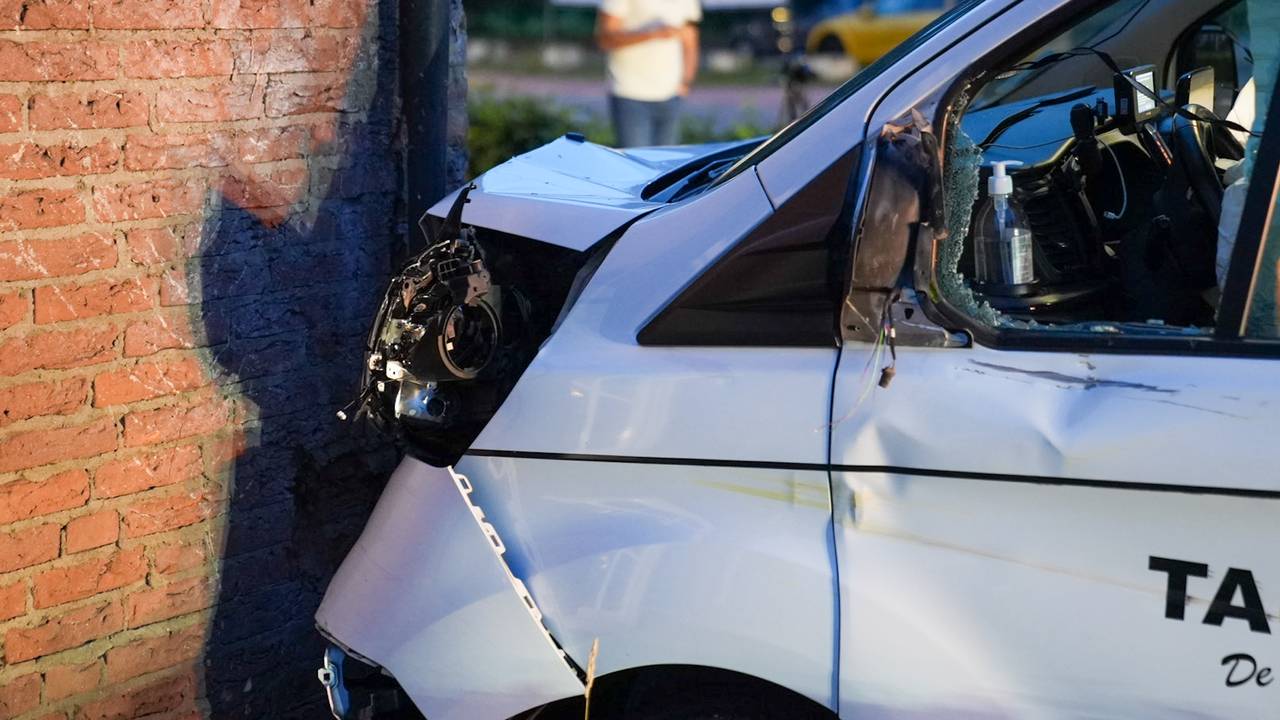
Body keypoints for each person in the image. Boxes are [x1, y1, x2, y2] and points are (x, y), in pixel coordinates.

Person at [596, 0, 702, 147]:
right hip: (630, 92)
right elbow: (605, 39)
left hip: (671, 94)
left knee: (669, 159)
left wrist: (686, 81)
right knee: (635, 159)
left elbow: (690, 37)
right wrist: (653, 33)